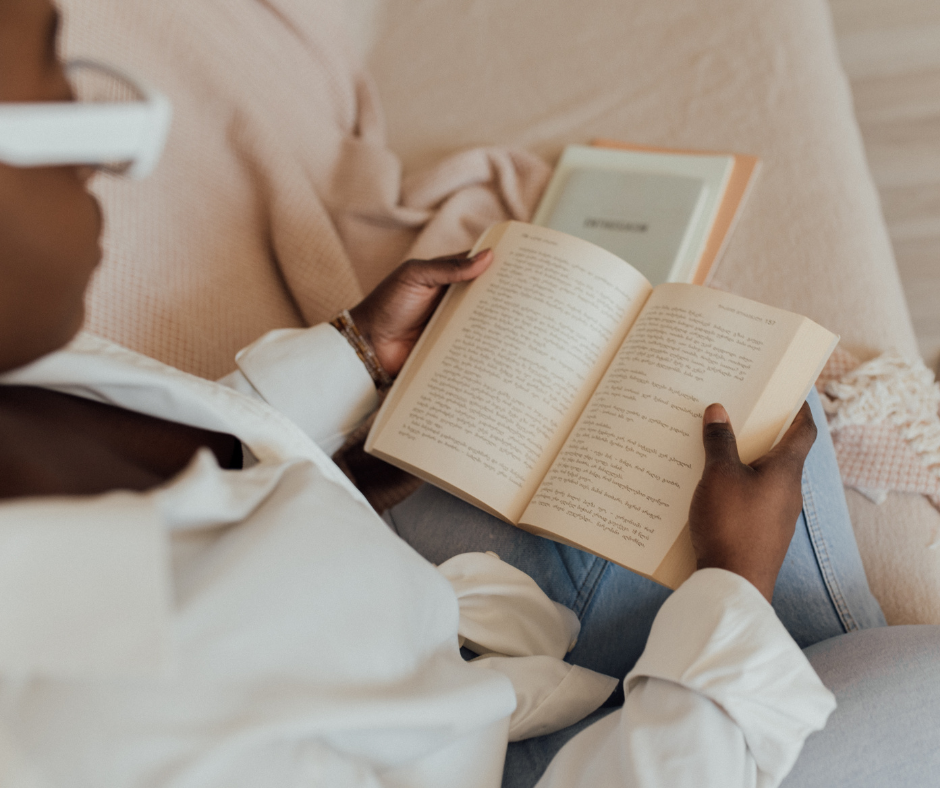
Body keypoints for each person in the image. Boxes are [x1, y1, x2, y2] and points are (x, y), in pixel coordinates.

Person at [2, 1, 939, 786]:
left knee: (738, 413)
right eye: (63, 104)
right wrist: (735, 581)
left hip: (393, 587)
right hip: (502, 756)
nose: (106, 162)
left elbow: (195, 501)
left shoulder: (28, 374)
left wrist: (351, 364)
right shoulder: (80, 724)